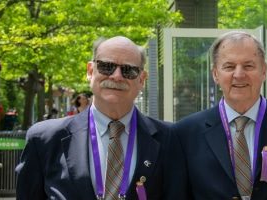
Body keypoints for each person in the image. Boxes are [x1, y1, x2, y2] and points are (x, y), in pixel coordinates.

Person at [16, 36, 184, 199]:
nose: (117, 76)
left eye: (129, 70)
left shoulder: (170, 139)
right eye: (106, 66)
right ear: (90, 71)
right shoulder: (45, 139)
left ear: (142, 79)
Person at [171, 31, 267, 199]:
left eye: (248, 66)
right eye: (229, 66)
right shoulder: (185, 133)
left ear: (263, 71)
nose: (239, 74)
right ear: (215, 74)